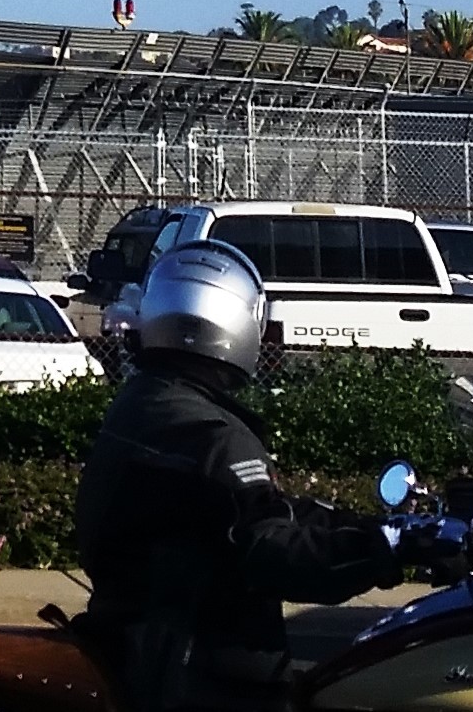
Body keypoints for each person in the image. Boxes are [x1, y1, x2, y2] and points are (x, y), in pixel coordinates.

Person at [70, 240, 404, 712]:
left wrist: (359, 525)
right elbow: (270, 552)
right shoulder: (211, 435)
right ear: (233, 320)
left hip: (142, 641)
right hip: (198, 670)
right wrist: (385, 550)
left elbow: (245, 513)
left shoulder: (151, 403)